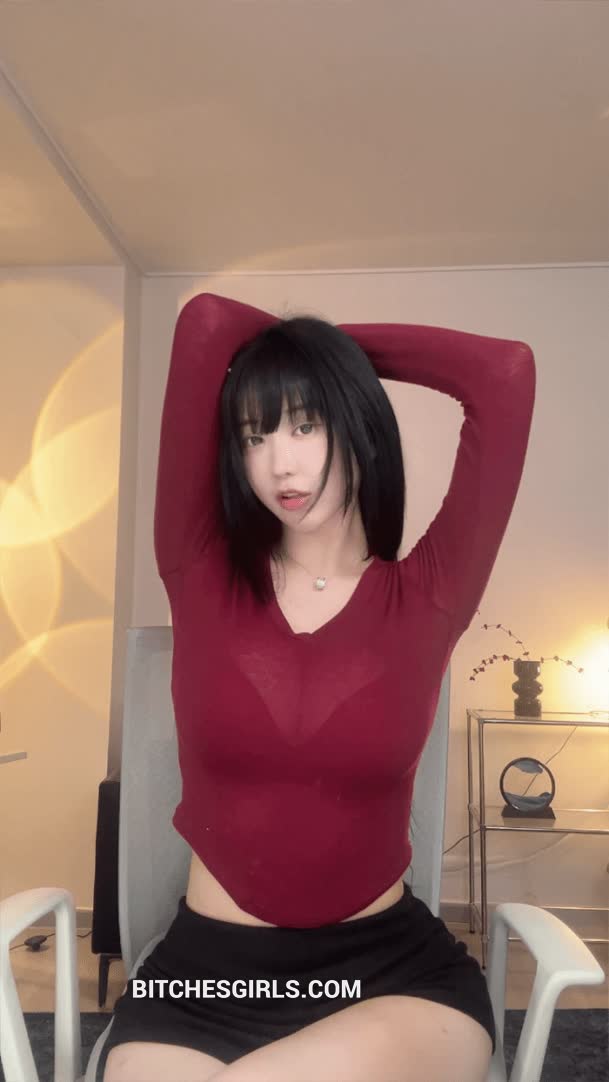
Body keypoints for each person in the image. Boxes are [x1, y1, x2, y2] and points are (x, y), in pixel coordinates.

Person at [99, 291, 536, 1082]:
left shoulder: (430, 594)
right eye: (253, 435)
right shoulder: (198, 569)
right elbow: (205, 323)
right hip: (206, 978)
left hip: (387, 976)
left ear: (357, 424)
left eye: (305, 424)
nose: (278, 463)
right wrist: (300, 353)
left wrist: (329, 354)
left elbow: (502, 374)